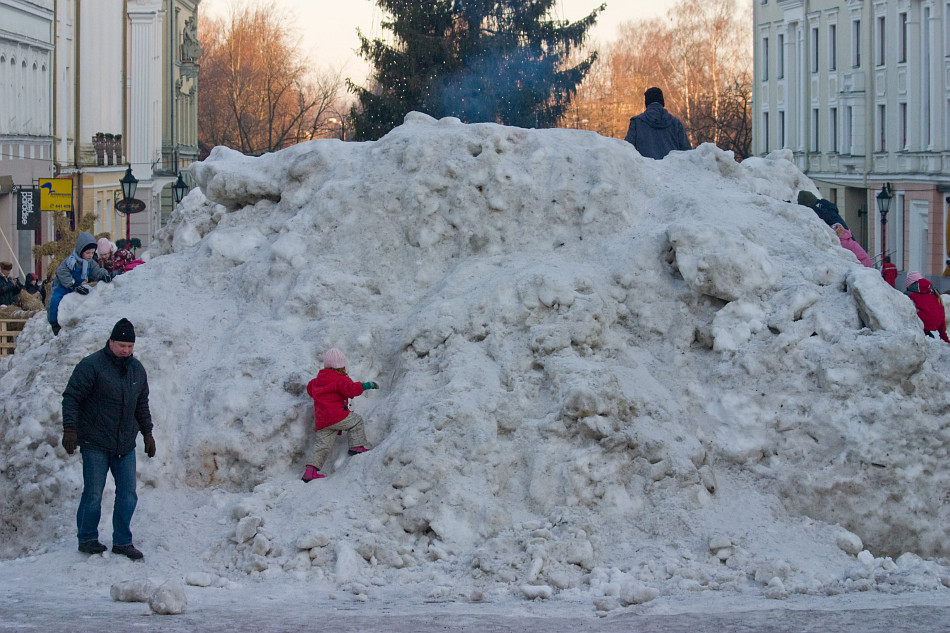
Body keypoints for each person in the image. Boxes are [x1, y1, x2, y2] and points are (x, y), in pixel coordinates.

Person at [61, 318, 154, 559]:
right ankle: (87, 538)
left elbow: (141, 403)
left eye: (130, 347)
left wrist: (147, 432)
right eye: (122, 345)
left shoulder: (136, 370)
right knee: (93, 492)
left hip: (125, 443)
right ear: (111, 342)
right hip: (95, 442)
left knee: (128, 493)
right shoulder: (91, 366)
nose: (126, 351)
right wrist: (70, 429)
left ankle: (123, 541)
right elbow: (71, 397)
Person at [301, 348, 379, 482]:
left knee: (322, 445)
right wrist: (367, 385)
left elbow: (310, 389)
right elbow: (351, 390)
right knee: (356, 421)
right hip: (337, 416)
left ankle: (310, 471)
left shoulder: (316, 381)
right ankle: (356, 445)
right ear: (341, 366)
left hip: (322, 421)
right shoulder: (340, 379)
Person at [48, 232, 112, 335]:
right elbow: (61, 272)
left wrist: (104, 275)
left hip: (77, 289)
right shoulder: (71, 261)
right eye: (87, 253)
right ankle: (55, 326)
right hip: (62, 287)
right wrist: (73, 285)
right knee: (54, 303)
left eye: (92, 252)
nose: (90, 255)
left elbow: (97, 271)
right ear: (80, 250)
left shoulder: (90, 263)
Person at [624, 87, 692, 160]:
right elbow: (687, 152)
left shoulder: (637, 122)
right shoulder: (675, 123)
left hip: (646, 169)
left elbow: (626, 150)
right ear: (662, 102)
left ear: (646, 103)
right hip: (671, 170)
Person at [904, 272, 949, 343]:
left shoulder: (911, 294)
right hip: (937, 323)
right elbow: (941, 313)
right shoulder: (934, 293)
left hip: (923, 323)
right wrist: (944, 337)